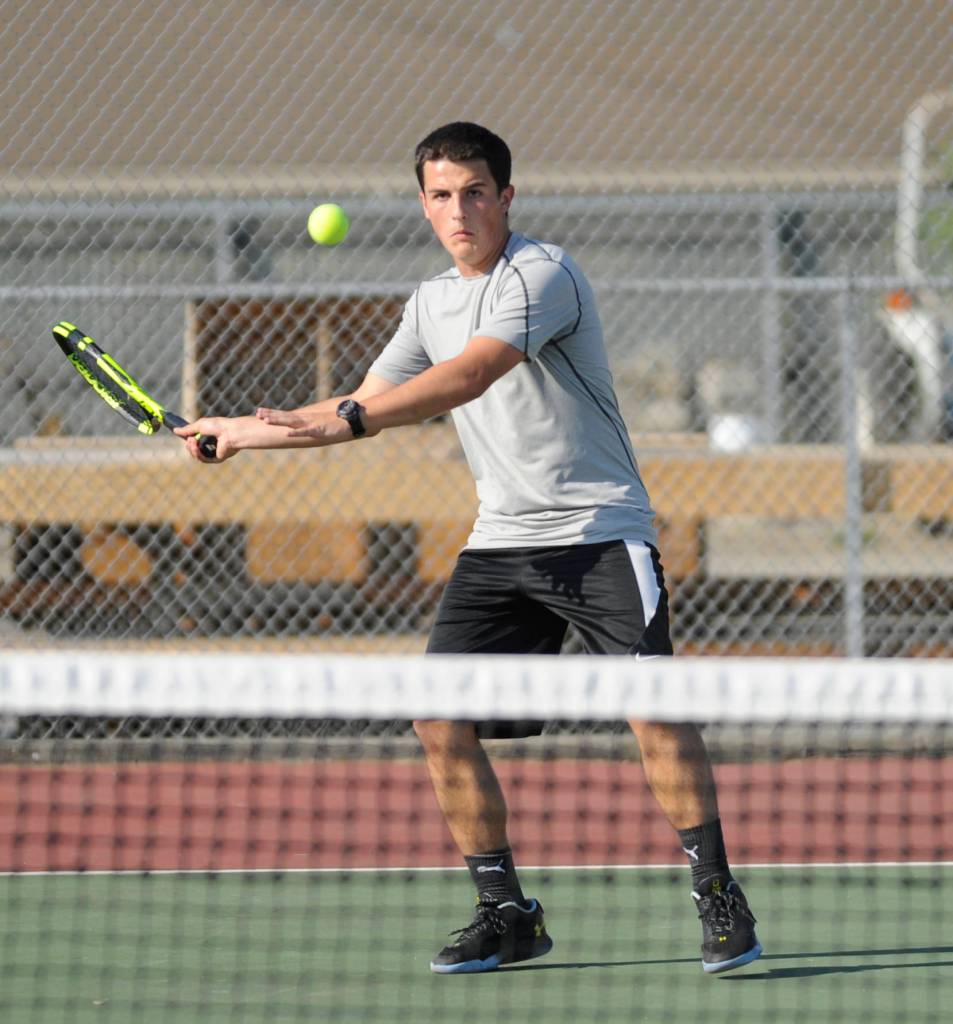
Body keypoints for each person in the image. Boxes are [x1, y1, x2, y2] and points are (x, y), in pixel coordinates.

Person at [177, 121, 762, 976]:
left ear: (506, 197)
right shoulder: (429, 302)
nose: (460, 211)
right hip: (501, 546)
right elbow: (364, 404)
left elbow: (465, 377)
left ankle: (717, 892)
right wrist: (239, 432)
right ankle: (505, 912)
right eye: (443, 196)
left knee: (654, 708)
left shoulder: (543, 273)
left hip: (598, 533)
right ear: (424, 204)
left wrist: (345, 414)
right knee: (438, 717)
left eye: (476, 192)